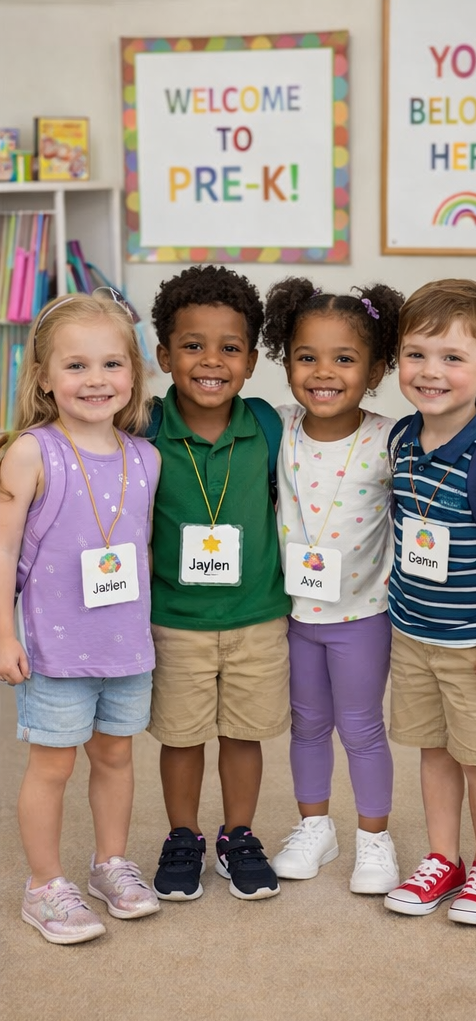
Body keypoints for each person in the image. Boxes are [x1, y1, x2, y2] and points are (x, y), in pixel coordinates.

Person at [2, 292, 159, 942]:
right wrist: (3, 631)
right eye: (76, 366)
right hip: (54, 651)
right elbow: (4, 548)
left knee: (117, 757)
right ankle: (43, 886)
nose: (96, 380)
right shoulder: (31, 452)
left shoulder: (145, 459)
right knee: (53, 765)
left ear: (134, 373)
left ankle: (110, 862)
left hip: (124, 647)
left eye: (111, 364)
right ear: (43, 376)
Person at [145, 266, 290, 902]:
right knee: (180, 736)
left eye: (230, 348)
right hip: (174, 619)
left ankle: (238, 835)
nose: (212, 361)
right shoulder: (143, 428)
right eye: (192, 345)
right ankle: (183, 835)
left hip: (258, 615)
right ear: (163, 354)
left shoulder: (267, 425)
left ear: (252, 359)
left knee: (243, 731)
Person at [258, 278, 403, 895]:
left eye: (344, 359)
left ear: (375, 370)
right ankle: (316, 827)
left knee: (362, 727)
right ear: (285, 361)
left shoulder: (392, 437)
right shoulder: (277, 427)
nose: (323, 372)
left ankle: (375, 839)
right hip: (292, 615)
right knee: (307, 726)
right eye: (305, 356)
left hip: (363, 617)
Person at [381, 280, 476, 924]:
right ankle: (443, 857)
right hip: (413, 634)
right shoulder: (402, 439)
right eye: (417, 354)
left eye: (453, 358)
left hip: (474, 643)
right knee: (433, 749)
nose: (431, 372)